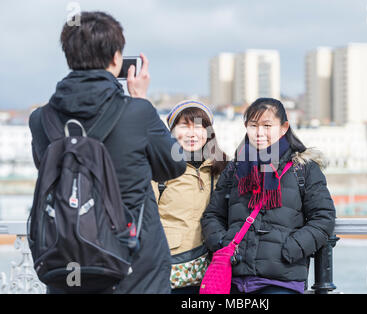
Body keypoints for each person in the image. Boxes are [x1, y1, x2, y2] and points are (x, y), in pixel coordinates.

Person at [28, 11, 186, 293]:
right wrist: (141, 100)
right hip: (134, 267)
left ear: (69, 57)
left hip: (66, 264)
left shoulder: (42, 120)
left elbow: (49, 169)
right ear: (116, 58)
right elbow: (174, 165)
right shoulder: (137, 113)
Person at [201, 98, 336, 294]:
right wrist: (224, 243)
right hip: (234, 279)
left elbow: (323, 217)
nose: (259, 132)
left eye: (267, 125)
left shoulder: (303, 169)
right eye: (253, 125)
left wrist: (290, 248)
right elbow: (212, 215)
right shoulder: (235, 168)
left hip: (281, 280)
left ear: (283, 128)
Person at [152, 100, 228, 294]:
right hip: (168, 268)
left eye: (199, 126)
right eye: (184, 126)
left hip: (210, 269)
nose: (192, 133)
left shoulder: (221, 168)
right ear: (172, 131)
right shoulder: (159, 169)